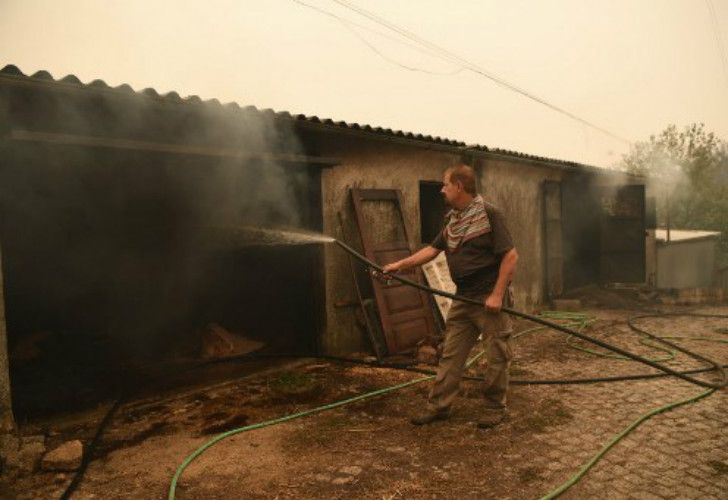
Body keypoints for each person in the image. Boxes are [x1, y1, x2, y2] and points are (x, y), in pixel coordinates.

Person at [382, 164, 518, 428]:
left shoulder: (490, 214)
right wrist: (399, 265)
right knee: (451, 354)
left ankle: (494, 407)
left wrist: (497, 295)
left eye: (445, 184)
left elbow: (511, 256)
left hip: (488, 299)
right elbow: (432, 250)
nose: (442, 190)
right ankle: (439, 406)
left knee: (497, 355)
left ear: (459, 186)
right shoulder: (453, 220)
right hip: (463, 298)